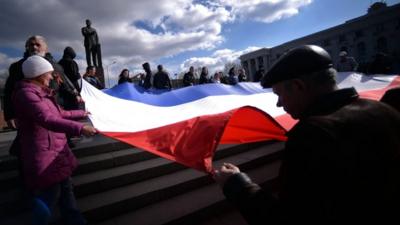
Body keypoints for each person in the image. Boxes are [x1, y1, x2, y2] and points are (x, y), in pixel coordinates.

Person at [214, 45, 400, 225]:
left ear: (298, 86)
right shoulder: (383, 110)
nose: (279, 104)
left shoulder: (312, 135)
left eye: (279, 94)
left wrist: (237, 184)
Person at [13, 55, 97, 225]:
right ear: (38, 74)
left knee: (66, 189)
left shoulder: (42, 94)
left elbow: (60, 113)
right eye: (49, 73)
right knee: (50, 194)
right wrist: (80, 128)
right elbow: (47, 119)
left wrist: (82, 113)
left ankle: (74, 219)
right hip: (44, 152)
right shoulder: (26, 95)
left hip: (56, 150)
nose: (51, 77)